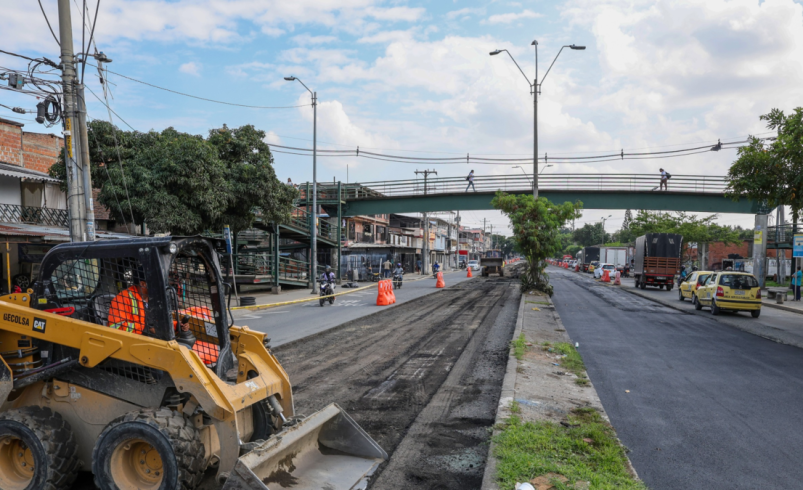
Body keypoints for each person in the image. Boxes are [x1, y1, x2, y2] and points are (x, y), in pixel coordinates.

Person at [108, 269, 149, 334]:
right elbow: (116, 328)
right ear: (143, 284)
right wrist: (145, 327)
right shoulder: (123, 298)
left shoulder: (154, 299)